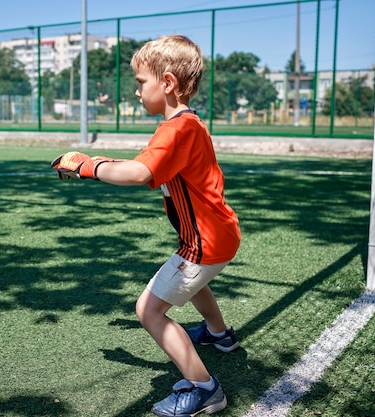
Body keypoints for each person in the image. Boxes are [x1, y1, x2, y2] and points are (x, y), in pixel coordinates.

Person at [51, 34, 240, 416]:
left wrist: (88, 167)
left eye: (141, 83)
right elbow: (150, 166)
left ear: (167, 83)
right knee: (193, 281)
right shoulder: (190, 125)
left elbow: (139, 172)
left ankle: (205, 389)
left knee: (149, 311)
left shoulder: (175, 130)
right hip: (218, 235)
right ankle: (221, 336)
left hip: (204, 242)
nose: (137, 92)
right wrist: (102, 161)